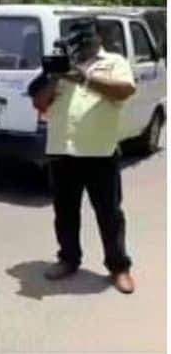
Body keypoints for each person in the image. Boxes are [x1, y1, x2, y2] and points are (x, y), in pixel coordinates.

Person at [29, 18, 137, 294]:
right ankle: (68, 259)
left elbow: (125, 90)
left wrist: (83, 77)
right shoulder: (60, 66)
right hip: (62, 151)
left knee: (109, 214)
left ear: (98, 38)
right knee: (65, 212)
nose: (82, 45)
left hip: (100, 152)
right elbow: (40, 103)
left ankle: (119, 267)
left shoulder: (114, 62)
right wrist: (55, 75)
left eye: (86, 40)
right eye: (77, 40)